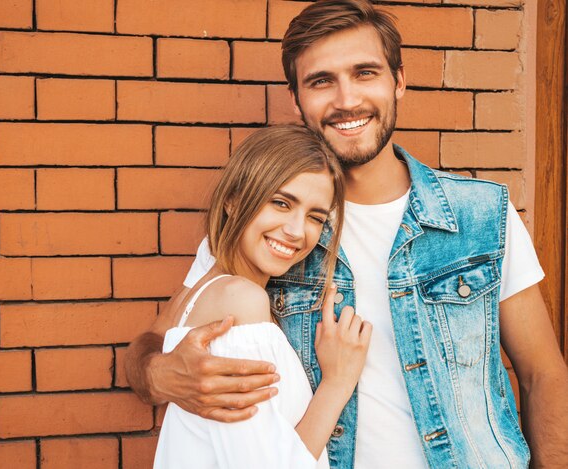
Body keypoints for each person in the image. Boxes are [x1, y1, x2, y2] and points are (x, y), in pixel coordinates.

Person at [126, 1, 568, 468]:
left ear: (398, 81)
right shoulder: (263, 230)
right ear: (296, 99)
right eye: (321, 81)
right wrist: (161, 375)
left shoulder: (482, 214)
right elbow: (153, 345)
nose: (346, 100)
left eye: (365, 73)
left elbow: (543, 375)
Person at [152, 124, 371, 468]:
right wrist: (338, 383)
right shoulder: (241, 300)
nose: (297, 231)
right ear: (233, 201)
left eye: (315, 217)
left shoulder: (203, 281)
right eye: (281, 203)